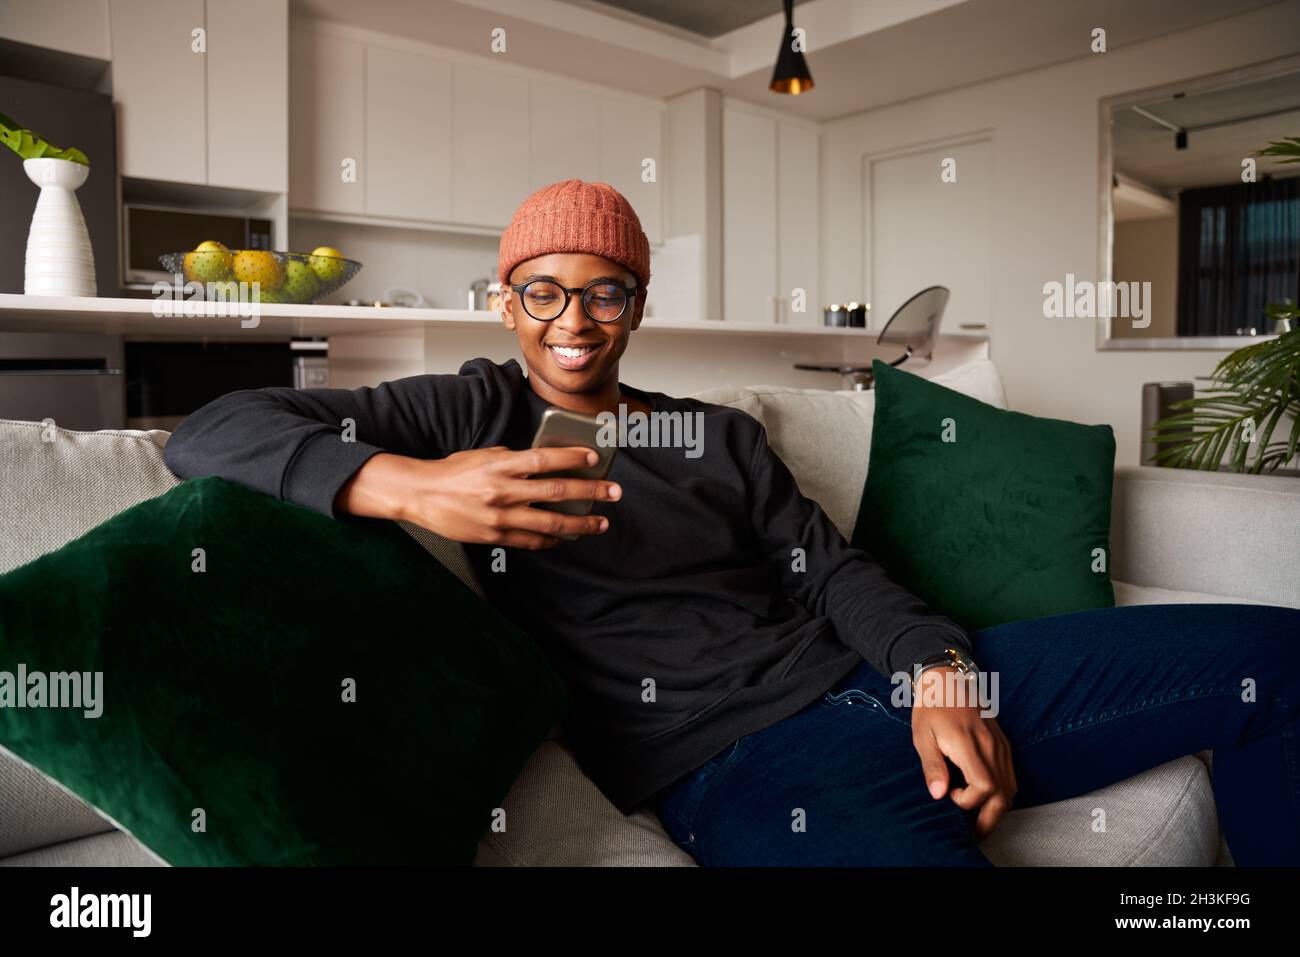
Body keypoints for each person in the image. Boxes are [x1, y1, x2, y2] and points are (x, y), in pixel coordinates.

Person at [163, 178, 1300, 866]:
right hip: (740, 765)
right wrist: (408, 486)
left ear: (637, 305)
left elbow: (832, 573)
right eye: (543, 291)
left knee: (1278, 661)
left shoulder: (716, 434)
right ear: (505, 301)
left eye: (604, 290)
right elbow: (213, 428)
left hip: (885, 684)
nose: (574, 319)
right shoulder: (470, 408)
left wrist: (939, 668)